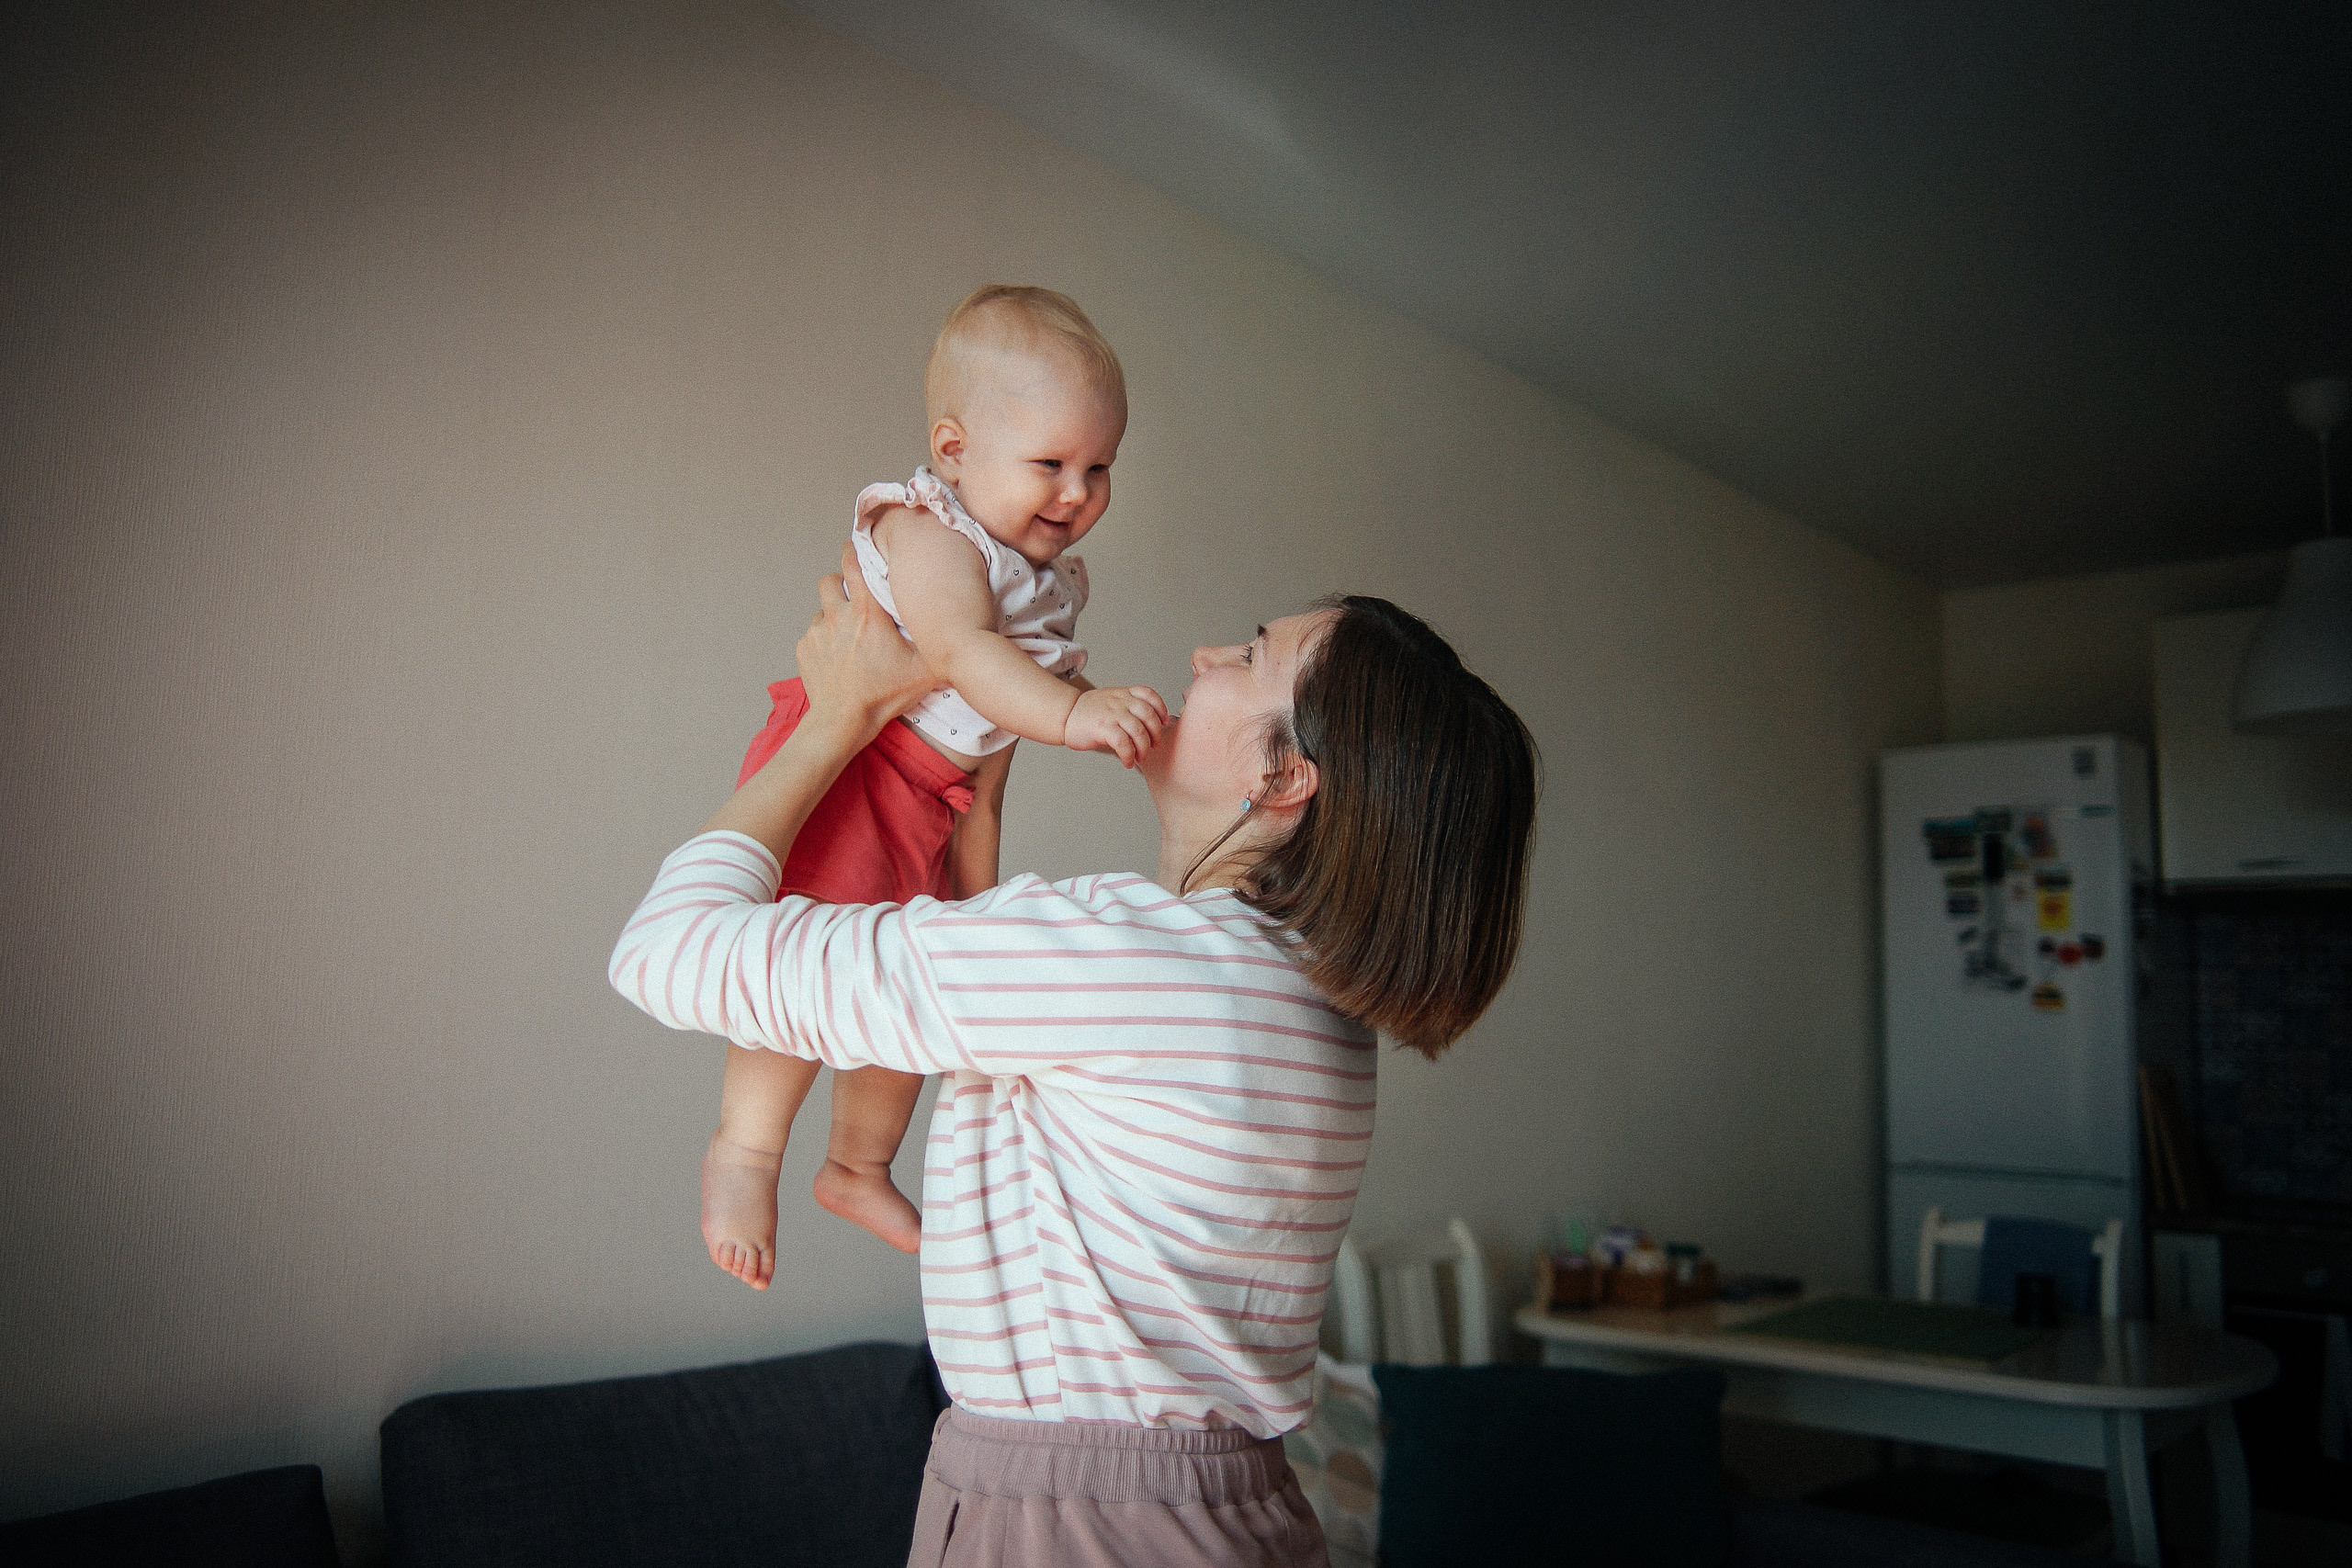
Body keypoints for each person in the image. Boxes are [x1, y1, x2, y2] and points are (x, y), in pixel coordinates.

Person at [612, 555, 1538, 1567]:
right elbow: (1009, 994)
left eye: (1248, 654)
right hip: (1232, 1515)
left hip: (1077, 1526)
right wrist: (976, 794)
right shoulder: (1307, 1006)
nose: (1204, 656)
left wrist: (834, 718)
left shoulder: (1138, 959)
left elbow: (665, 951)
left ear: (1281, 776)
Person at [703, 286, 1171, 1283]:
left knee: (910, 994)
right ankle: (745, 1152)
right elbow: (960, 654)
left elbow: (991, 766)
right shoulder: (929, 530)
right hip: (854, 770)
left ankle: (856, 1164)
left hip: (937, 801)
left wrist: (976, 905)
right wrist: (1076, 712)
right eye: (1050, 464)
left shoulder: (1051, 584)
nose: (1078, 494)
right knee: (801, 972)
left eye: (1099, 469)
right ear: (954, 451)